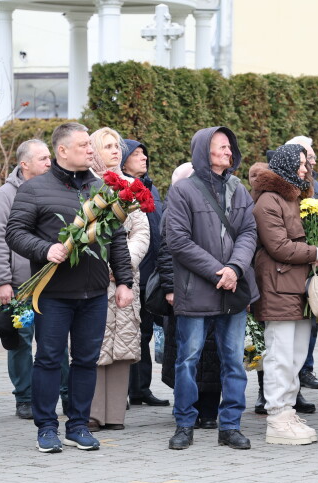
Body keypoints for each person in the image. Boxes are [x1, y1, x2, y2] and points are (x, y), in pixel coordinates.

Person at [6, 122, 134, 453]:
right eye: (83, 146)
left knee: (86, 360)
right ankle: (46, 427)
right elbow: (15, 232)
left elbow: (116, 236)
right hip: (52, 293)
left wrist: (125, 282)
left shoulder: (102, 187)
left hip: (93, 292)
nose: (90, 150)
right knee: (48, 359)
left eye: (90, 146)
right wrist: (44, 249)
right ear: (62, 151)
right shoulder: (34, 189)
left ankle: (78, 425)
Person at [165, 126, 259, 450]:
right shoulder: (182, 191)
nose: (228, 152)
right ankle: (184, 425)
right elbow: (177, 240)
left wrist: (234, 268)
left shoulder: (239, 189)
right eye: (221, 147)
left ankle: (230, 426)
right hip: (196, 290)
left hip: (232, 290)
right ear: (204, 150)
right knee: (187, 360)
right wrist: (217, 270)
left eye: (230, 147)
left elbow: (249, 232)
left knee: (234, 360)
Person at [249, 144, 318, 445]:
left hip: (298, 288)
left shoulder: (294, 197)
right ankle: (277, 418)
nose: (306, 169)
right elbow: (278, 246)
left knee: (295, 356)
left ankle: (288, 411)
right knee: (279, 355)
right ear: (285, 165)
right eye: (301, 164)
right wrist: (315, 252)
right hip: (278, 287)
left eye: (307, 163)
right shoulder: (268, 201)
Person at [0, 139, 53, 420]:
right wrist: (2, 281)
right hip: (22, 288)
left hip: (51, 283)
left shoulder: (54, 187)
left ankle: (63, 393)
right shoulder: (6, 194)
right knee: (23, 340)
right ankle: (24, 397)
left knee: (53, 341)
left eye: (50, 157)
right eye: (43, 159)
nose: (49, 163)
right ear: (24, 164)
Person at [89, 127, 150, 431]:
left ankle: (114, 415)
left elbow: (142, 232)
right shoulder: (85, 184)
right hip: (93, 275)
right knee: (94, 343)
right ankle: (91, 412)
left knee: (122, 343)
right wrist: (104, 262)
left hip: (125, 277)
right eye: (108, 146)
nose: (116, 151)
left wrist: (123, 262)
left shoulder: (131, 186)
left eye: (118, 146)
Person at [159, 162, 223, 428]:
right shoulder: (173, 212)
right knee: (187, 353)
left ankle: (209, 411)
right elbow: (165, 254)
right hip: (185, 290)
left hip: (216, 288)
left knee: (214, 353)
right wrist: (171, 288)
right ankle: (186, 410)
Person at [122, 138, 169, 408]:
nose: (143, 158)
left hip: (151, 273)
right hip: (129, 272)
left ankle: (140, 390)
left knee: (145, 333)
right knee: (127, 333)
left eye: (144, 153)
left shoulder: (151, 188)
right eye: (136, 153)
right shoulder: (119, 188)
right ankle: (121, 390)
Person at [285, 135, 318, 390]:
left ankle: (303, 375)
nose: (309, 164)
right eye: (305, 159)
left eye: (310, 159)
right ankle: (275, 399)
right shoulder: (274, 197)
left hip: (308, 270)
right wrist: (314, 252)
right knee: (281, 344)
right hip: (286, 275)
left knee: (306, 330)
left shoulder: (314, 187)